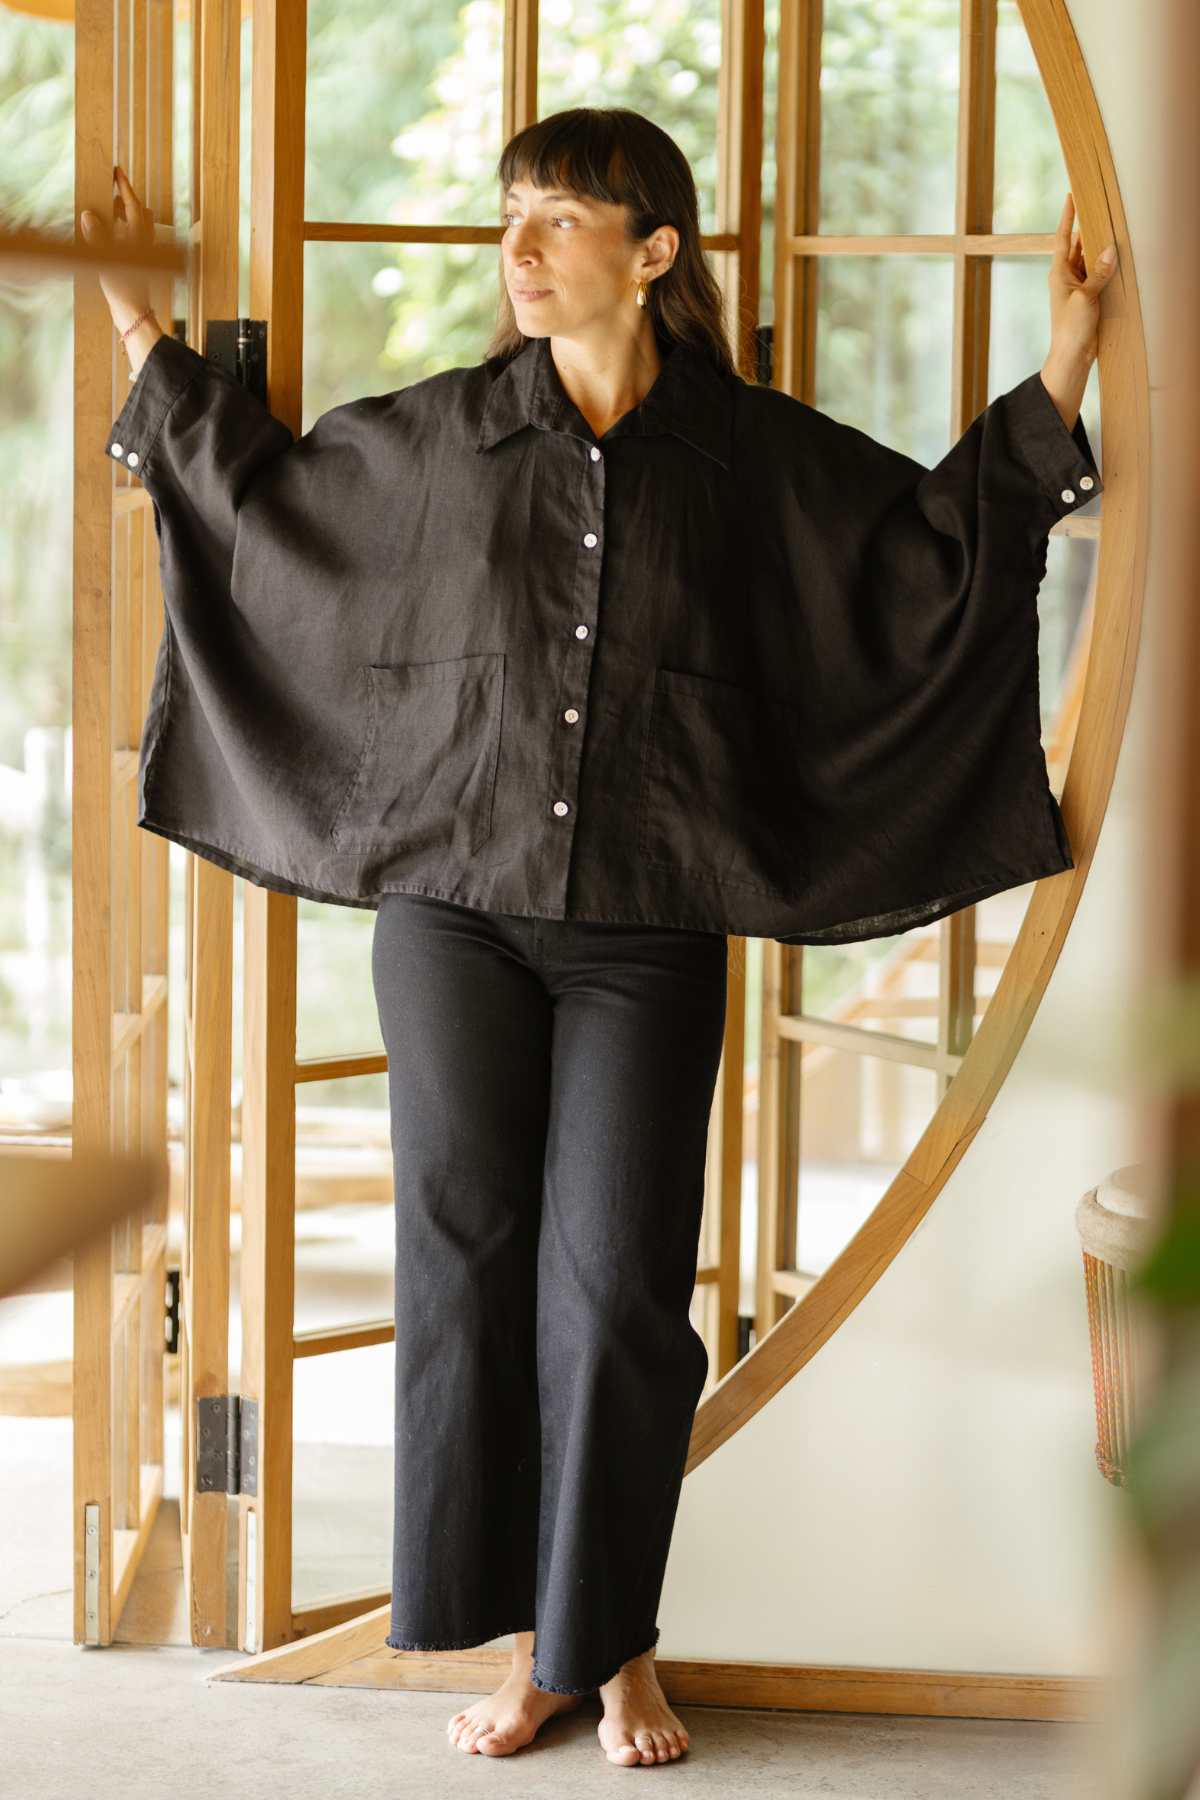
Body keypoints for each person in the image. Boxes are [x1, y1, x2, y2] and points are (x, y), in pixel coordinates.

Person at [80, 106, 1116, 1767]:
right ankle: (530, 1650)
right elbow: (257, 510)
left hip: (647, 928)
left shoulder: (751, 457)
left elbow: (930, 559)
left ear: (654, 251)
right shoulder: (433, 441)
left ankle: (613, 1639)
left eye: (561, 217)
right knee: (467, 1268)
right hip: (452, 925)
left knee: (623, 1287)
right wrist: (139, 317)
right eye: (511, 215)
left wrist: (1067, 350)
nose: (522, 246)